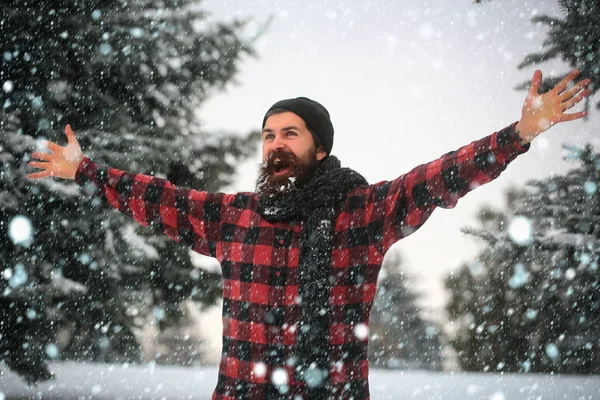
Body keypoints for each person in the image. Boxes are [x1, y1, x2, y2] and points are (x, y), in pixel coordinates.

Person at [28, 69, 591, 400]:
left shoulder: (361, 213)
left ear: (319, 147)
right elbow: (160, 200)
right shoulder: (236, 217)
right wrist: (86, 171)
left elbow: (436, 180)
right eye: (268, 134)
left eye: (290, 134)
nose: (275, 144)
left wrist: (518, 133)